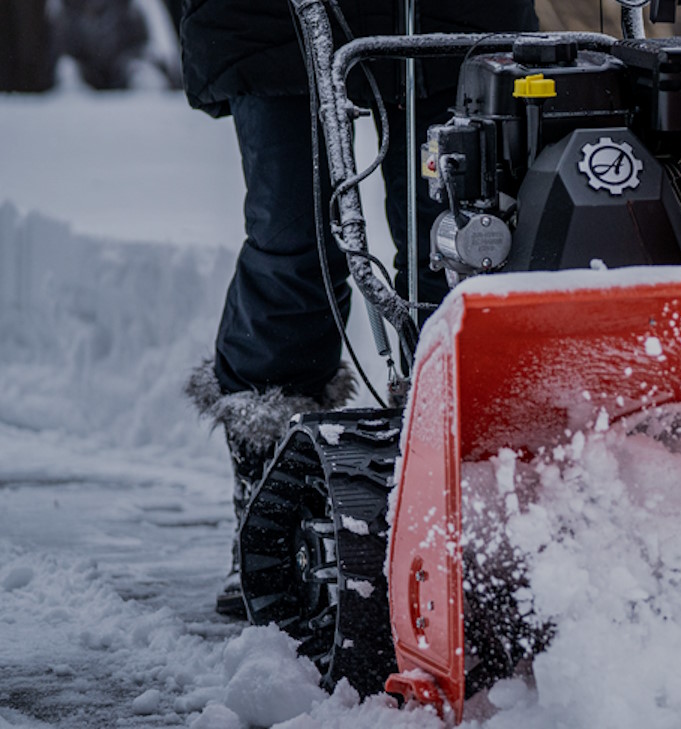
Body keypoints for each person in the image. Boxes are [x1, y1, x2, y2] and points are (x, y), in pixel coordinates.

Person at [177, 0, 538, 618]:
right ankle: (270, 501)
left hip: (447, 14)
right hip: (273, 20)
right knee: (294, 245)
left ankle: (460, 481)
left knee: (453, 239)